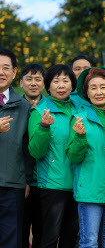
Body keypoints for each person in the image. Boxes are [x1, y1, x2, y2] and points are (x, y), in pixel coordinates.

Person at [66, 67, 105, 248]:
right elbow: (74, 157)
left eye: (103, 87)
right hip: (89, 191)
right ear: (86, 93)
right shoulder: (79, 118)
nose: (99, 92)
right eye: (93, 88)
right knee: (89, 242)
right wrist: (80, 137)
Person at [28, 64, 79, 248]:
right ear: (48, 87)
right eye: (55, 81)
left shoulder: (79, 110)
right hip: (52, 184)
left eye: (66, 81)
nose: (61, 85)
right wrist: (43, 128)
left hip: (78, 184)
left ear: (73, 86)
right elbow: (35, 152)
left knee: (71, 237)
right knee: (50, 238)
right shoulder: (39, 111)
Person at [0, 48, 32, 248]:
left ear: (14, 72)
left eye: (6, 68)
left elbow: (28, 149)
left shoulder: (24, 106)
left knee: (11, 240)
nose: (1, 73)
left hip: (13, 186)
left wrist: (27, 180)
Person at [20, 63, 46, 248]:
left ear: (44, 84)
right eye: (28, 79)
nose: (33, 83)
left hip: (46, 181)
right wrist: (25, 179)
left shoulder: (50, 107)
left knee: (43, 233)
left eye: (38, 79)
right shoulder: (15, 106)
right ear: (20, 83)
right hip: (21, 181)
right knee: (19, 230)